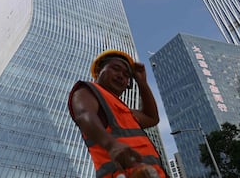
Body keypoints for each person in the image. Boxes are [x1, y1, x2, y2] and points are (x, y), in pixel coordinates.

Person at [68, 50, 168, 178]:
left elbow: (151, 118)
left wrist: (142, 82)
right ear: (99, 70)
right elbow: (84, 115)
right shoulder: (87, 90)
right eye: (115, 69)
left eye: (127, 75)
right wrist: (112, 145)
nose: (121, 76)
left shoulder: (124, 111)